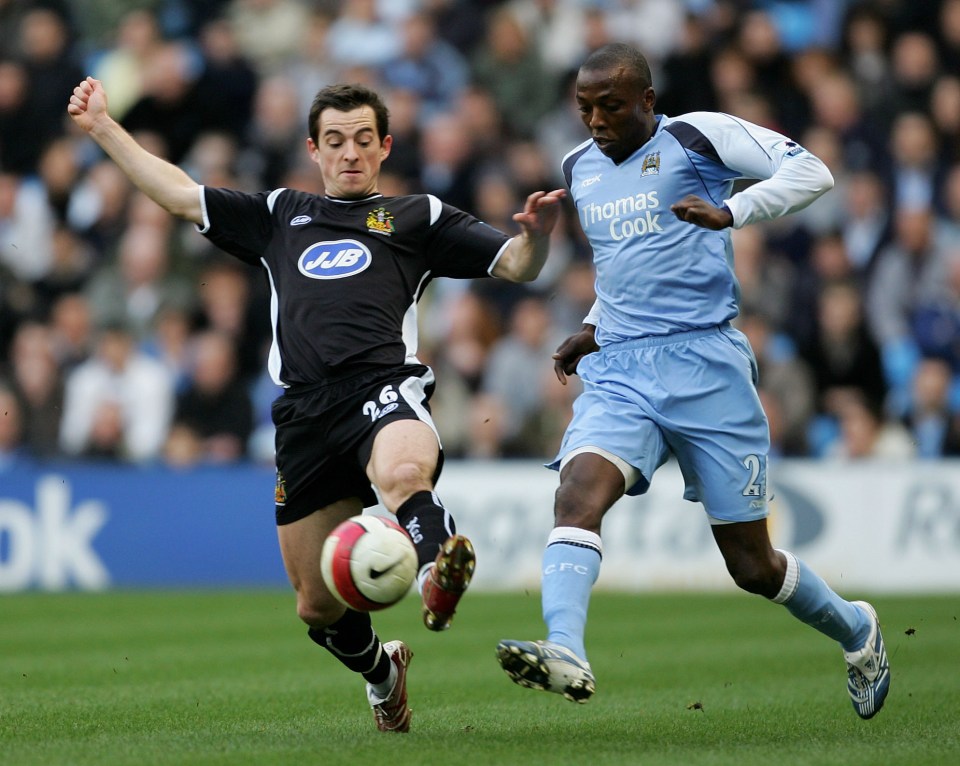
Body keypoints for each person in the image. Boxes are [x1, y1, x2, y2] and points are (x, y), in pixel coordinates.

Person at [68, 76, 565, 732]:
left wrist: (538, 238)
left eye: (363, 139)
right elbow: (182, 197)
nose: (350, 153)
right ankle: (385, 676)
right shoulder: (280, 213)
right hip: (303, 413)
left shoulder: (417, 217)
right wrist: (104, 126)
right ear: (314, 148)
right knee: (315, 607)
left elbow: (516, 266)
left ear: (385, 145)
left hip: (382, 388)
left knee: (403, 475)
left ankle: (436, 578)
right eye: (335, 141)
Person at [495, 42, 891, 721]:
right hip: (622, 368)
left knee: (752, 566)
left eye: (611, 107)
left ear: (647, 100)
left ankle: (858, 631)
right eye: (585, 108)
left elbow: (814, 172)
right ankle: (566, 648)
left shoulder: (696, 135)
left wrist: (733, 212)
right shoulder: (577, 168)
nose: (595, 121)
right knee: (577, 494)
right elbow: (627, 261)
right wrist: (593, 324)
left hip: (708, 366)